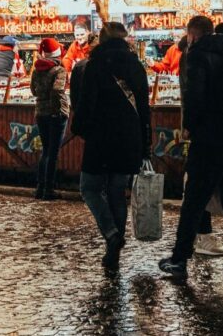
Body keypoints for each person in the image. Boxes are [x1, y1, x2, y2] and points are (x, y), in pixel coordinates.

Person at [159, 16, 223, 281]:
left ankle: (179, 259)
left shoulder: (198, 55)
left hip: (210, 139)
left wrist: (189, 127)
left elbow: (194, 97)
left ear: (192, 35)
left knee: (194, 199)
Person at [72, 22, 152, 272]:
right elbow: (144, 107)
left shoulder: (95, 65)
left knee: (89, 188)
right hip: (129, 137)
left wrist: (80, 128)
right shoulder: (136, 65)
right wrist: (145, 141)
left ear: (102, 39)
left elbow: (86, 103)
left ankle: (111, 234)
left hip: (101, 137)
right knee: (117, 191)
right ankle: (113, 251)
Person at [31, 37, 70, 199]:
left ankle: (40, 188)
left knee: (46, 150)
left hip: (40, 112)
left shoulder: (36, 70)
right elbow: (57, 89)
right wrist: (57, 108)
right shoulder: (59, 70)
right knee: (53, 152)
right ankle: (49, 189)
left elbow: (33, 90)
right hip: (56, 114)